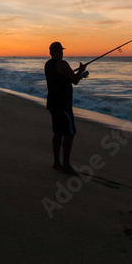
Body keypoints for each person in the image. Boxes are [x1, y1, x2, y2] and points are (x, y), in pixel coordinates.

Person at [44, 41, 86, 174]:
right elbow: (74, 80)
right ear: (59, 51)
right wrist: (81, 70)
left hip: (52, 103)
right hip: (63, 105)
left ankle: (57, 163)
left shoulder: (48, 64)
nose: (63, 53)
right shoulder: (62, 63)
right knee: (69, 133)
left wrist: (77, 73)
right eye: (62, 50)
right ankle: (66, 164)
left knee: (58, 133)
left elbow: (61, 78)